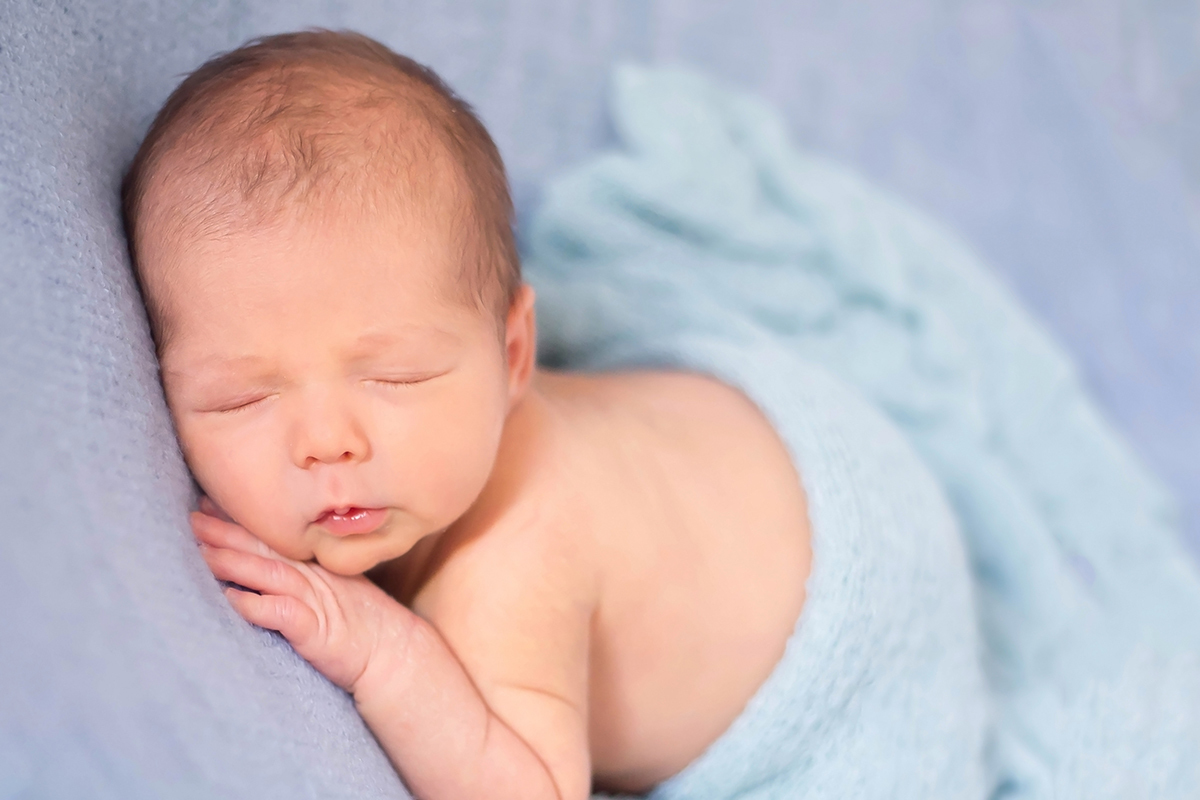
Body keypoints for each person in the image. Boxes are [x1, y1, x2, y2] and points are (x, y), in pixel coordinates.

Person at [121, 29, 810, 799]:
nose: (326, 443)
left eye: (396, 377)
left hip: (812, 596)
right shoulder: (440, 441)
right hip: (718, 448)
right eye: (243, 397)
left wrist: (389, 656)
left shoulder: (508, 572)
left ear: (515, 356)